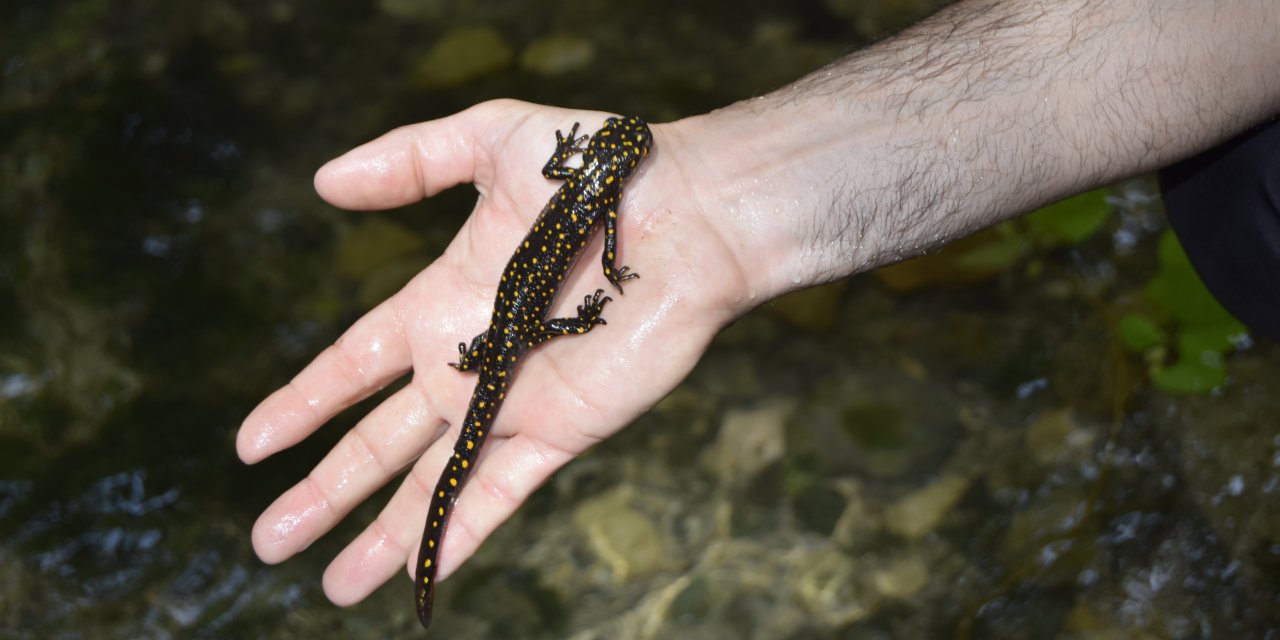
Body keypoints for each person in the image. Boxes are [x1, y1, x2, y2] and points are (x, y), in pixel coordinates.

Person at [236, 0, 1280, 612]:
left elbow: (587, 223)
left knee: (482, 408)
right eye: (619, 149)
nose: (619, 148)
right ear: (605, 164)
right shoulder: (593, 198)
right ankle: (424, 574)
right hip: (512, 333)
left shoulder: (585, 192)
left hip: (506, 335)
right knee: (473, 424)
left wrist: (582, 306)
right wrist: (616, 282)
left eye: (617, 150)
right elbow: (596, 234)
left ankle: (426, 571)